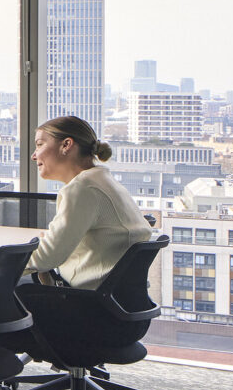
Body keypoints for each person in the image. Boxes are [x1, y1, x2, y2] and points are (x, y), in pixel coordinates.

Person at [16, 114, 147, 287]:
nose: (34, 155)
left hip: (89, 303)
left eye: (40, 144)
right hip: (118, 299)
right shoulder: (102, 181)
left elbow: (45, 258)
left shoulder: (83, 189)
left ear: (66, 145)